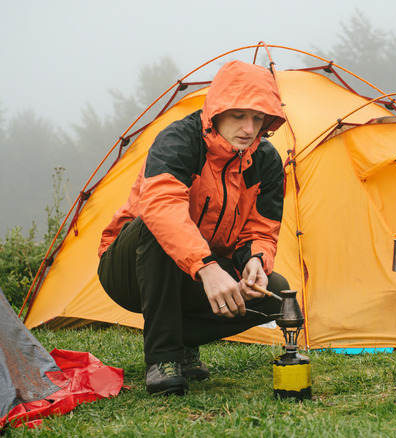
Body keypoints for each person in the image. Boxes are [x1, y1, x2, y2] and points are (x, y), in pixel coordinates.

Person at [97, 60, 289, 395]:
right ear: (217, 111)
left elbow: (261, 229)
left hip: (194, 271)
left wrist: (254, 262)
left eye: (259, 118)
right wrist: (207, 267)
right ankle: (164, 358)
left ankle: (181, 339)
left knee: (275, 293)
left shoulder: (267, 161)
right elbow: (161, 207)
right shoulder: (179, 140)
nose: (249, 127)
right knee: (156, 227)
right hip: (130, 269)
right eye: (239, 115)